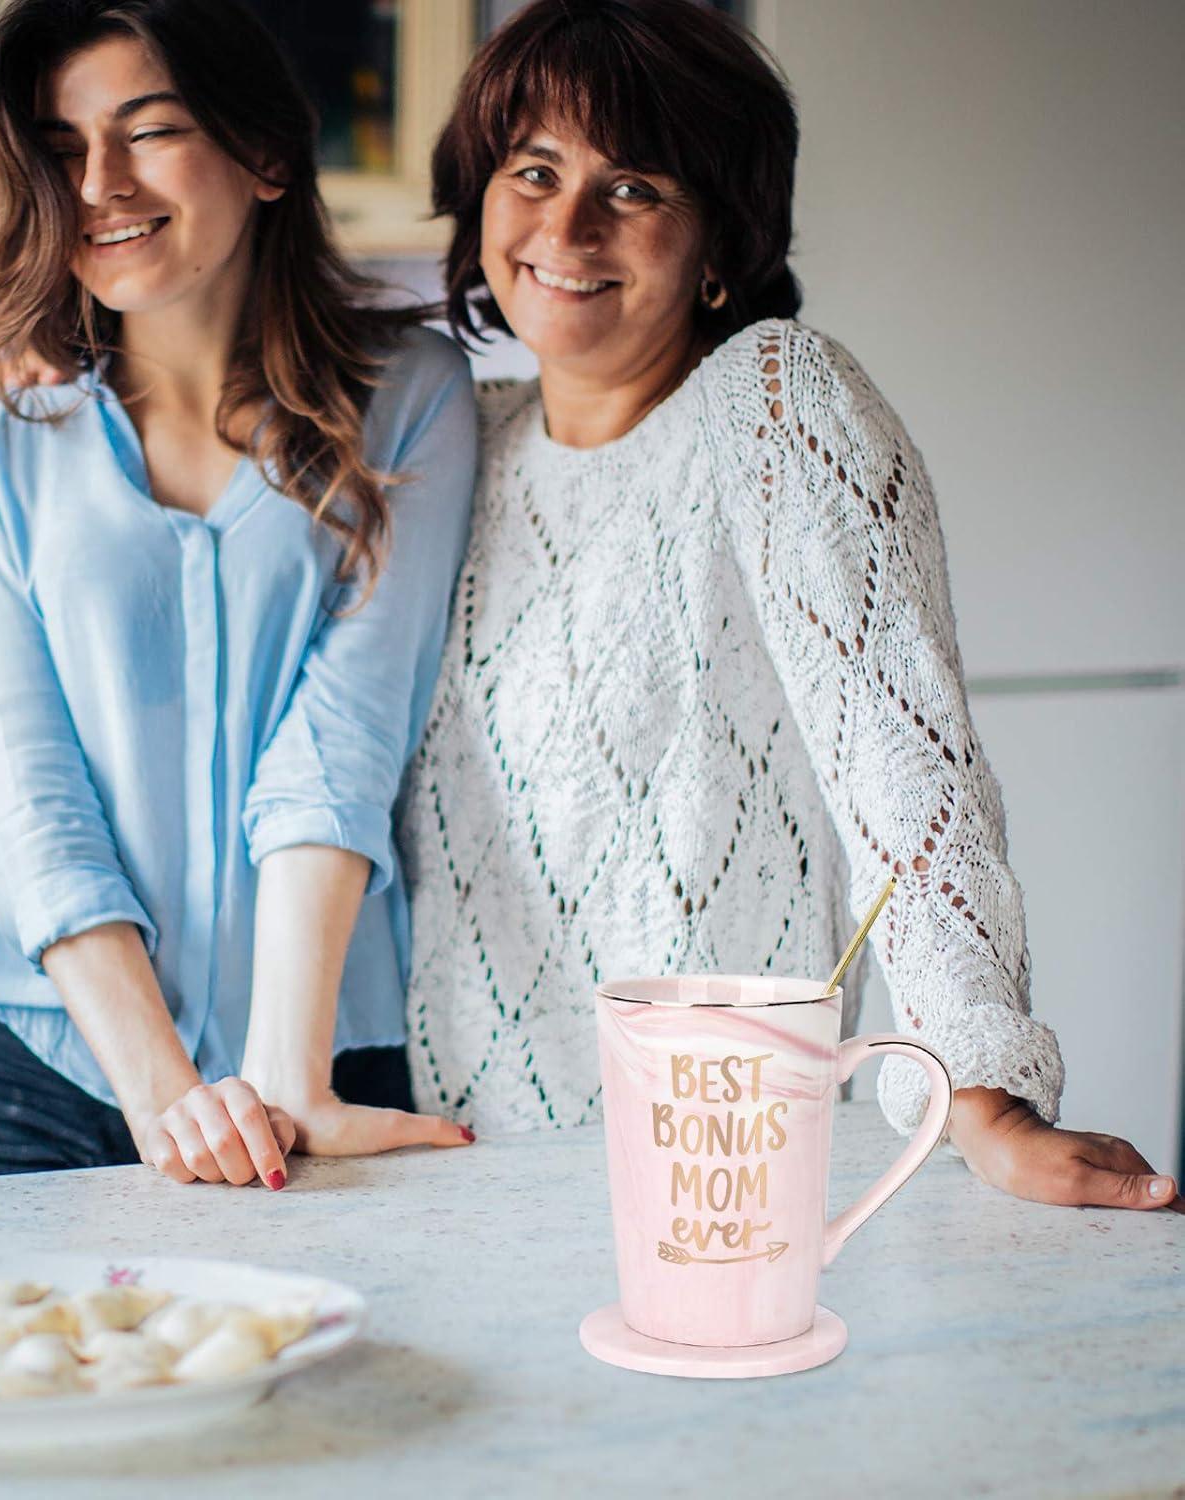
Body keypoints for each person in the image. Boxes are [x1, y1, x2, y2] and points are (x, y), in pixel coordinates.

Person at [398, 0, 1180, 1213]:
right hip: (463, 1166)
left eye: (636, 187)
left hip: (717, 1171)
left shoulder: (771, 403)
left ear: (721, 244)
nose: (565, 225)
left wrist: (981, 1094)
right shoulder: (459, 444)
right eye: (533, 170)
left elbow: (906, 769)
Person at [0, 0, 477, 1188]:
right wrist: (170, 1098)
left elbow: (347, 739)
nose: (98, 183)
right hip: (30, 1072)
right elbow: (25, 795)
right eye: (60, 152)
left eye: (147, 131)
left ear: (266, 152)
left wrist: (277, 1079)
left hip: (316, 1062)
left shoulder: (411, 397)